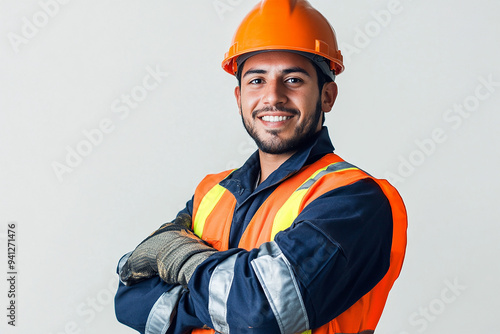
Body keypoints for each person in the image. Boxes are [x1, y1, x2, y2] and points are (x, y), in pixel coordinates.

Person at [114, 0, 407, 333]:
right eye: (256, 81)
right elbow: (130, 297)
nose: (273, 97)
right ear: (239, 97)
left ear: (327, 96)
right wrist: (229, 296)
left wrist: (181, 259)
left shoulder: (354, 201)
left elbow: (262, 311)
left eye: (293, 80)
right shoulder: (211, 193)